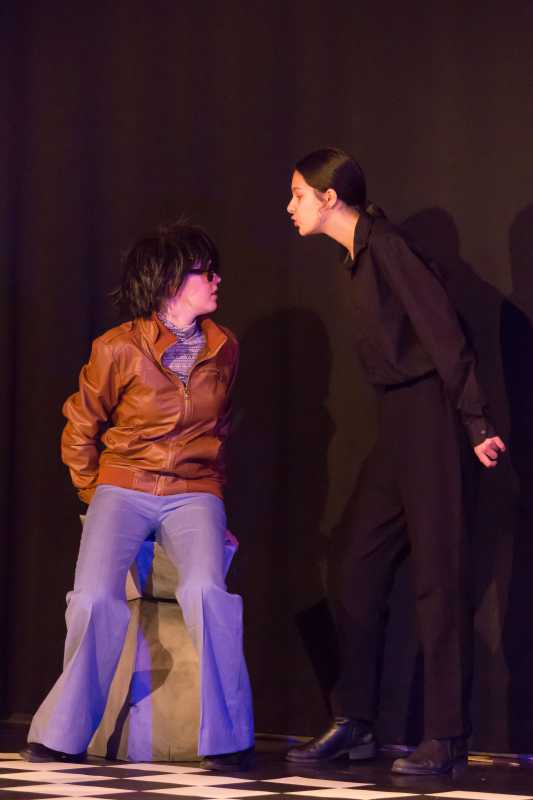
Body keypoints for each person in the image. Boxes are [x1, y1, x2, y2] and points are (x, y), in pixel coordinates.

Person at [285, 148, 505, 775]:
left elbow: (444, 333)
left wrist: (475, 420)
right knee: (356, 561)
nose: (290, 207)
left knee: (439, 576)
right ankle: (355, 720)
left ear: (330, 198)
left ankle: (447, 737)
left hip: (433, 415)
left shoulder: (387, 247)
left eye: (298, 194)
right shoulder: (353, 259)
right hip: (398, 422)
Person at [21, 221, 254, 771]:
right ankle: (62, 733)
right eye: (205, 272)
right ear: (172, 282)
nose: (217, 280)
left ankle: (228, 739)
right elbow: (80, 426)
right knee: (93, 598)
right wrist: (94, 494)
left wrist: (214, 503)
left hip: (193, 490)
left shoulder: (225, 348)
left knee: (206, 593)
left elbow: (219, 433)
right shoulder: (118, 347)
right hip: (123, 484)